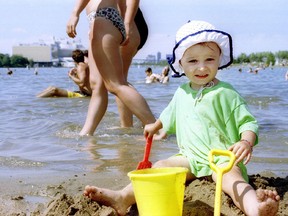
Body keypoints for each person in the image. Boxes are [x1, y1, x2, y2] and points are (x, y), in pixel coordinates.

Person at [83, 20, 280, 216]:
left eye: (209, 60)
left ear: (219, 59)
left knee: (233, 181)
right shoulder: (181, 92)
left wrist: (246, 141)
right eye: (193, 61)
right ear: (181, 63)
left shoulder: (226, 92)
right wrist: (155, 126)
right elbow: (170, 113)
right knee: (160, 166)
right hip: (190, 158)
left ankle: (255, 207)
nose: (201, 68)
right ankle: (123, 197)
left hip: (221, 159)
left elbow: (248, 122)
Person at [66, 0, 166, 136]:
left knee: (116, 84)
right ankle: (86, 133)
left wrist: (74, 14)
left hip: (102, 17)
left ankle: (157, 129)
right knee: (98, 86)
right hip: (104, 18)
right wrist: (125, 22)